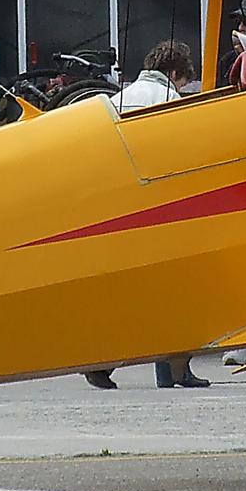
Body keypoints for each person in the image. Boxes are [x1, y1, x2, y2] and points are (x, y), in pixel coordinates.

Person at [80, 41, 209, 389]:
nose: (182, 88)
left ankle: (100, 363)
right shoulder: (170, 101)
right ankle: (175, 371)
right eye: (183, 81)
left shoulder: (116, 100)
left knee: (128, 295)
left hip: (118, 211)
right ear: (174, 74)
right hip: (161, 212)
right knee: (176, 293)